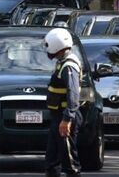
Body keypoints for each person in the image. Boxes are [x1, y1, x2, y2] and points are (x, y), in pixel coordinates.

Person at [44, 28, 82, 177]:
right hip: (59, 117)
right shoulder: (63, 62)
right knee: (51, 160)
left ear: (55, 45)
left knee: (69, 161)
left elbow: (73, 93)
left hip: (64, 117)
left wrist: (67, 119)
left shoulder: (69, 66)